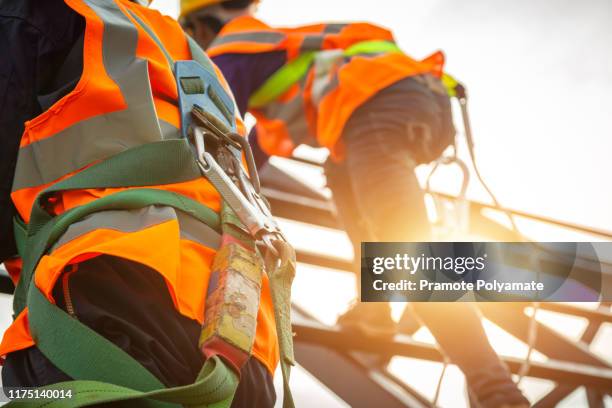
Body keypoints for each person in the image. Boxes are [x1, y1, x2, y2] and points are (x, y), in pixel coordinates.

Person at [181, 1, 530, 406]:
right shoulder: (275, 52)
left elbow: (210, 130)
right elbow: (246, 157)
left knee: (406, 252)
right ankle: (376, 312)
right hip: (406, 106)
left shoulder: (232, 48)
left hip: (377, 107)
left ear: (201, 26)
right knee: (344, 176)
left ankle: (499, 392)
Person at [0, 0, 283, 406]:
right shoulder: (192, 56)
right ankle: (393, 299)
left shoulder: (36, 14)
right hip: (243, 347)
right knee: (381, 210)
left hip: (114, 311)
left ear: (204, 20)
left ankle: (392, 300)